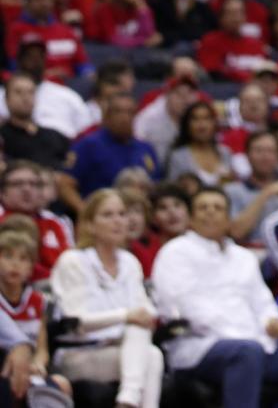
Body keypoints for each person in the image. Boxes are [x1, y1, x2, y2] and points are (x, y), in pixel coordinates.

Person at [152, 186, 278, 408]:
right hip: (201, 347)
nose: (210, 212)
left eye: (217, 208)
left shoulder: (243, 257)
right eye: (203, 208)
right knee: (246, 352)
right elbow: (182, 308)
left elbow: (262, 301)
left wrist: (273, 321)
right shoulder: (175, 252)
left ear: (228, 219)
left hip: (256, 344)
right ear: (191, 218)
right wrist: (247, 336)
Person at [50, 189, 163, 408]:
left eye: (122, 214)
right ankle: (129, 400)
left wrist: (137, 317)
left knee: (149, 348)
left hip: (125, 349)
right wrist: (125, 316)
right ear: (90, 224)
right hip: (79, 352)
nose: (119, 221)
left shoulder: (130, 262)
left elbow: (146, 311)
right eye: (108, 215)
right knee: (149, 353)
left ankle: (127, 400)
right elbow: (77, 321)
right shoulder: (73, 260)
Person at [0, 225, 70, 404]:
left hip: (29, 370)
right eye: (8, 257)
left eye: (23, 259)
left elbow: (41, 349)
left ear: (32, 267)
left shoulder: (37, 301)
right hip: (5, 370)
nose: (15, 264)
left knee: (60, 386)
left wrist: (38, 365)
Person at [68, 93, 160, 199]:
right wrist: (85, 211)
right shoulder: (89, 145)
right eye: (118, 112)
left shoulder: (146, 149)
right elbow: (65, 183)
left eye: (130, 112)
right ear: (106, 116)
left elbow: (156, 186)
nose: (124, 117)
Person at [0, 165, 73, 281]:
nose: (26, 189)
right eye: (18, 184)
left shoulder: (56, 222)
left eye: (33, 184)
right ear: (3, 192)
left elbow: (69, 264)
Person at [226, 129, 278, 243]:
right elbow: (236, 232)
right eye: (258, 150)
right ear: (247, 155)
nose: (265, 157)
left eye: (270, 151)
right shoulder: (233, 190)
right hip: (248, 254)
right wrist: (266, 192)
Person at [0, 71, 71, 174]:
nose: (25, 97)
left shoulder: (54, 136)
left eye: (31, 92)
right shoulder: (2, 137)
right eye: (18, 92)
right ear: (6, 99)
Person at [166, 100, 236, 188]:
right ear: (187, 125)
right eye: (195, 119)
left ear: (214, 123)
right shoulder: (177, 157)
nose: (202, 125)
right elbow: (173, 193)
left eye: (206, 118)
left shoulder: (225, 153)